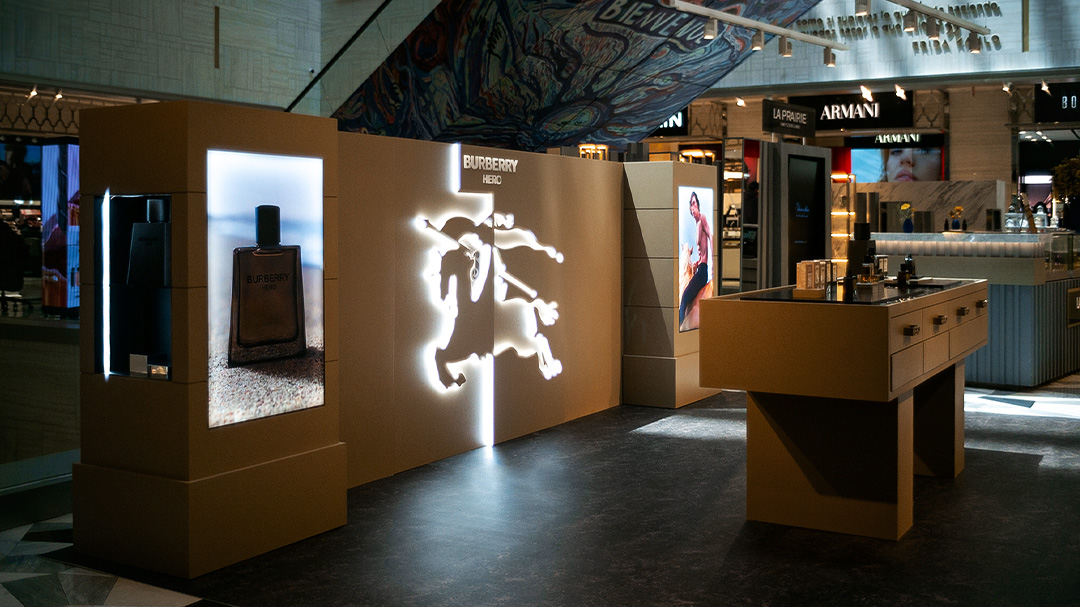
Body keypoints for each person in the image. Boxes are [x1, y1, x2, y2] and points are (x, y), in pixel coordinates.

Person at [679, 191, 712, 328]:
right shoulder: (697, 225)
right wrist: (697, 262)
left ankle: (679, 327)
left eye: (694, 203)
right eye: (690, 205)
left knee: (684, 298)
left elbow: (711, 236)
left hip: (703, 271)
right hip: (701, 268)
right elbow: (702, 251)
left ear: (698, 204)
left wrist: (713, 263)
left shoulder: (702, 219)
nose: (692, 208)